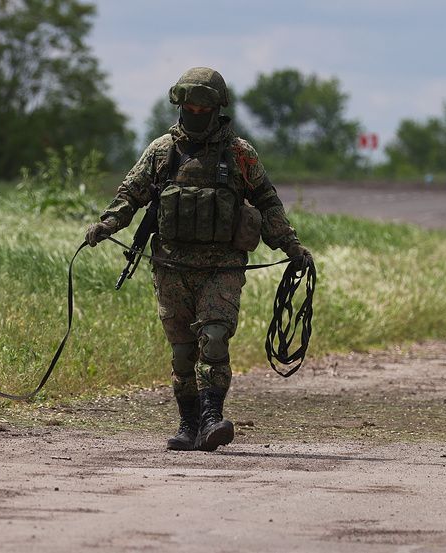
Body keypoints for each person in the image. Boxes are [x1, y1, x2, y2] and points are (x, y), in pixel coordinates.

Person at [85, 67, 312, 451]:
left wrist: (292, 248)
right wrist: (105, 226)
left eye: (203, 107)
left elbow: (268, 203)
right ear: (179, 105)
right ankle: (188, 422)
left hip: (221, 268)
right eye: (189, 105)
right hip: (171, 267)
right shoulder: (162, 151)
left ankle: (211, 418)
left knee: (215, 337)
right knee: (182, 351)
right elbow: (131, 195)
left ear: (217, 108)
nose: (196, 112)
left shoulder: (240, 154)